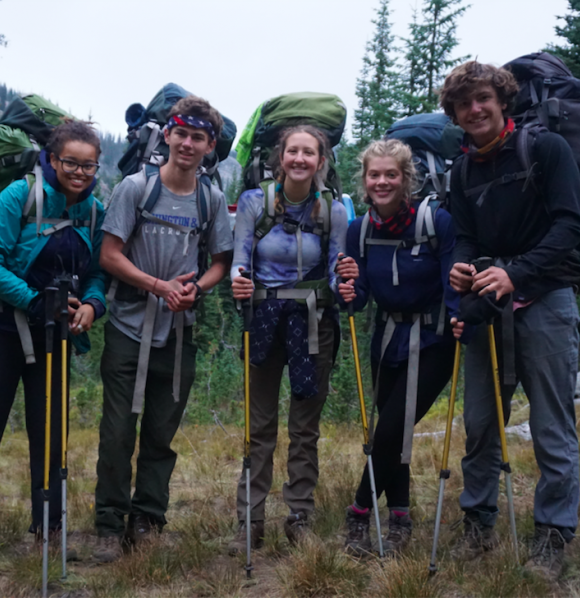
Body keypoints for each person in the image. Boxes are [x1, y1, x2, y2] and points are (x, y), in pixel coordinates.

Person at [0, 120, 108, 591]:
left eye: (87, 164)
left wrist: (93, 306)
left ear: (97, 165)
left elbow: (97, 273)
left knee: (51, 439)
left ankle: (49, 530)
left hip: (55, 335)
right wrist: (35, 301)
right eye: (70, 162)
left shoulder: (93, 211)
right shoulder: (20, 196)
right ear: (52, 160)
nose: (78, 171)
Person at [441, 61, 580, 581]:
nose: (474, 110)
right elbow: (465, 236)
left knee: (551, 424)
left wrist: (515, 274)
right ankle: (478, 522)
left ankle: (552, 534)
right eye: (463, 104)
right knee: (480, 423)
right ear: (455, 114)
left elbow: (571, 224)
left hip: (547, 300)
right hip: (488, 304)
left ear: (503, 101)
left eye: (482, 99)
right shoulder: (461, 170)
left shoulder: (545, 149)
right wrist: (463, 264)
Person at [94, 96, 233, 563]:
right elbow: (109, 254)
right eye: (181, 133)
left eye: (198, 137)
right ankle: (110, 525)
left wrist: (197, 288)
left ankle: (148, 520)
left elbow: (220, 263)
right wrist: (158, 286)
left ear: (210, 146)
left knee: (160, 432)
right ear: (167, 134)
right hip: (127, 326)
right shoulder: (136, 189)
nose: (188, 143)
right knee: (116, 433)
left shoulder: (209, 200)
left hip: (178, 333)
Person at [227, 124, 358, 555]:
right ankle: (252, 517)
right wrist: (238, 281)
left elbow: (338, 267)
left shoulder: (333, 211)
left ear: (321, 161)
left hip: (314, 322)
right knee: (259, 425)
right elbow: (240, 257)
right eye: (293, 152)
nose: (300, 160)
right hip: (264, 319)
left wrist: (347, 285)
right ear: (281, 157)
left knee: (305, 427)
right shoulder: (253, 202)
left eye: (310, 153)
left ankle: (300, 513)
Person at [341, 139, 462, 556]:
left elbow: (451, 278)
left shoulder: (435, 222)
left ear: (406, 178)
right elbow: (356, 297)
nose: (382, 182)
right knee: (396, 435)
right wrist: (346, 290)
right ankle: (400, 518)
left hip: (433, 341)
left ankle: (358, 512)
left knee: (389, 431)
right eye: (374, 174)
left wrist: (463, 313)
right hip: (386, 340)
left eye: (391, 174)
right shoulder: (360, 230)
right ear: (364, 179)